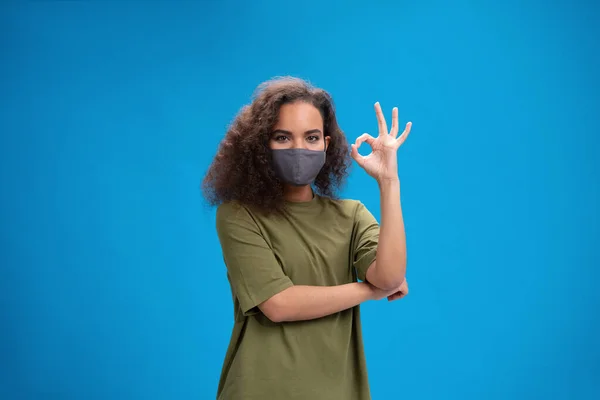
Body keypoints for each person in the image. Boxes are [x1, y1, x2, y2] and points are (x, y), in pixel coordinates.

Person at [202, 76, 412, 400]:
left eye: (311, 137)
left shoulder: (351, 216)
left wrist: (389, 181)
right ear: (262, 144)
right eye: (283, 137)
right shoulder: (238, 215)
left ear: (326, 145)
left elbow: (390, 275)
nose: (299, 148)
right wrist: (369, 291)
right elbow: (278, 303)